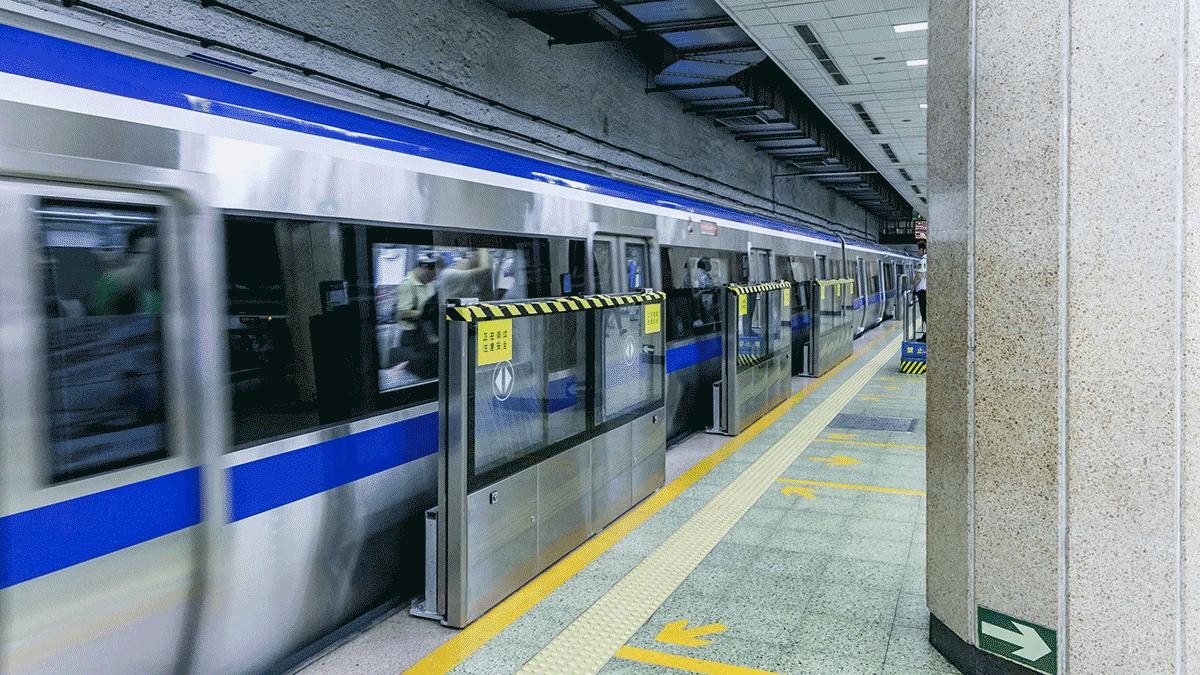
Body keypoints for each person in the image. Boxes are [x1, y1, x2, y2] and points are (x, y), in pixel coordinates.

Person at [92, 225, 160, 315]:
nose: (148, 260)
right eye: (143, 253)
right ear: (129, 257)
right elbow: (99, 318)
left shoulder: (165, 288)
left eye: (154, 256)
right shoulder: (111, 282)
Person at [914, 241, 927, 341]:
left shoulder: (921, 261)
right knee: (925, 313)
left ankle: (926, 336)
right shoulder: (927, 260)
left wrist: (912, 287)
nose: (917, 251)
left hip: (921, 290)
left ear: (922, 249)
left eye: (918, 249)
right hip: (925, 290)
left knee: (924, 313)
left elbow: (918, 276)